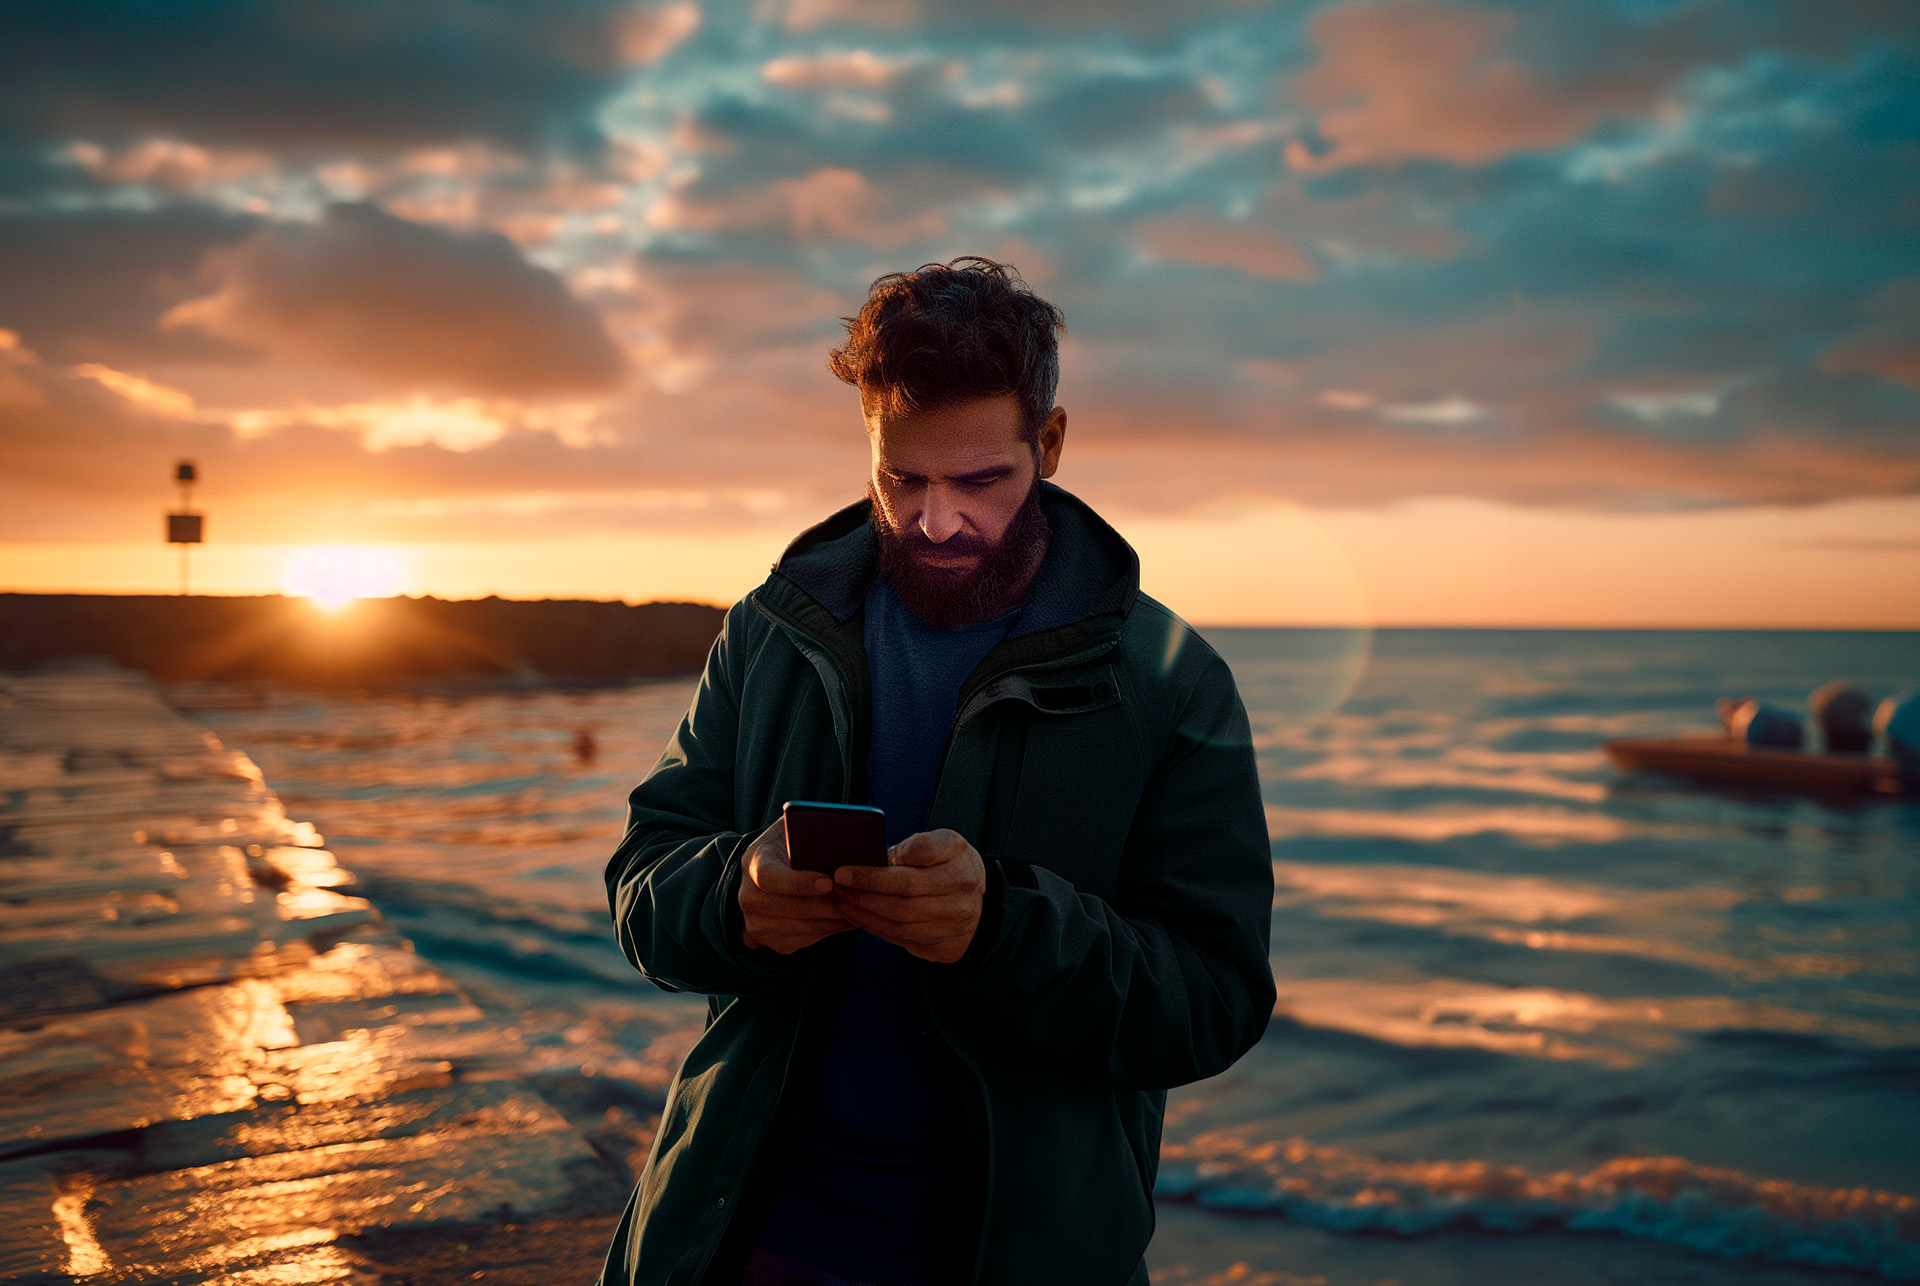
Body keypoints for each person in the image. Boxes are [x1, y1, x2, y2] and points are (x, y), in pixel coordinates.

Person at [599, 257, 1276, 1286]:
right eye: (903, 479)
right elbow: (642, 889)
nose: (939, 520)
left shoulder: (1169, 680)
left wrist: (1001, 929)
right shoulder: (771, 632)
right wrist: (739, 895)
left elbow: (1216, 998)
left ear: (1047, 445)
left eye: (980, 481)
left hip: (1024, 1255)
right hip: (742, 1235)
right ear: (866, 440)